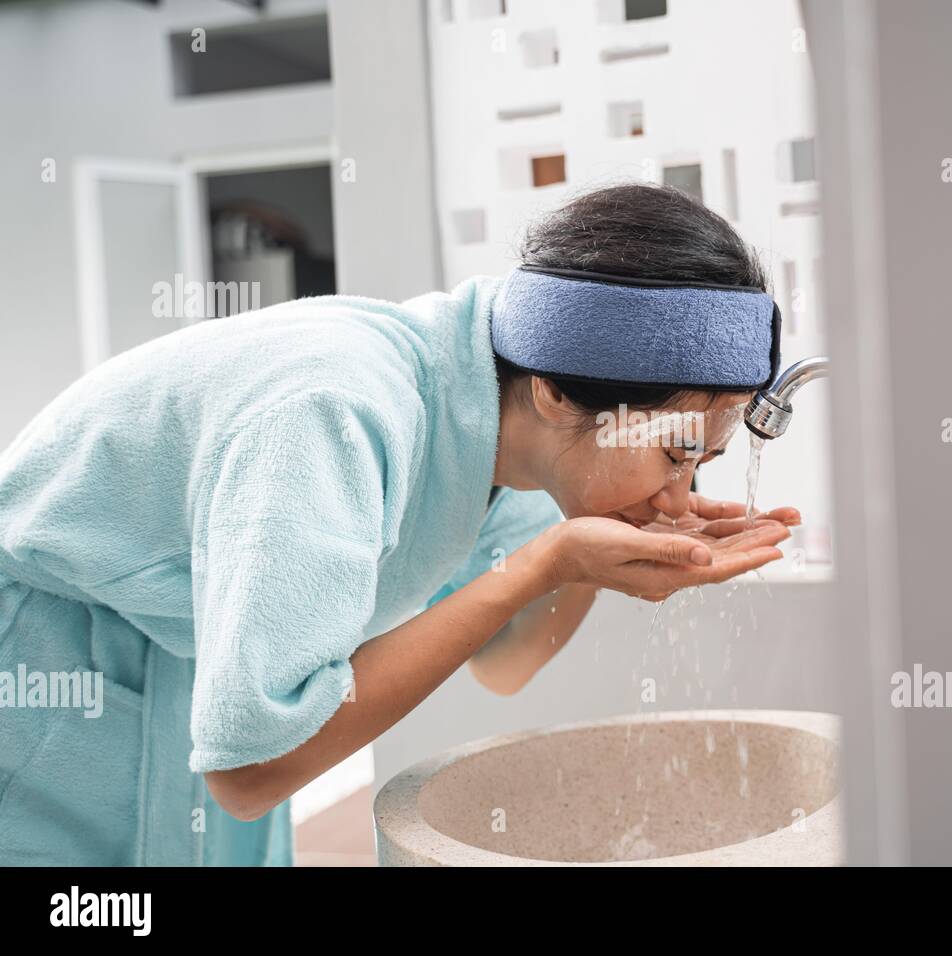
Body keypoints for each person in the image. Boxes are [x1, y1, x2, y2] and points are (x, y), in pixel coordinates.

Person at [0, 182, 798, 865]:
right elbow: (249, 771)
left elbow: (505, 661)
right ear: (560, 391)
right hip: (51, 689)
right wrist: (544, 564)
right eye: (672, 453)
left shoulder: (511, 424)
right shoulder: (332, 411)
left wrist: (594, 562)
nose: (681, 495)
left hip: (192, 694)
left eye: (703, 466)